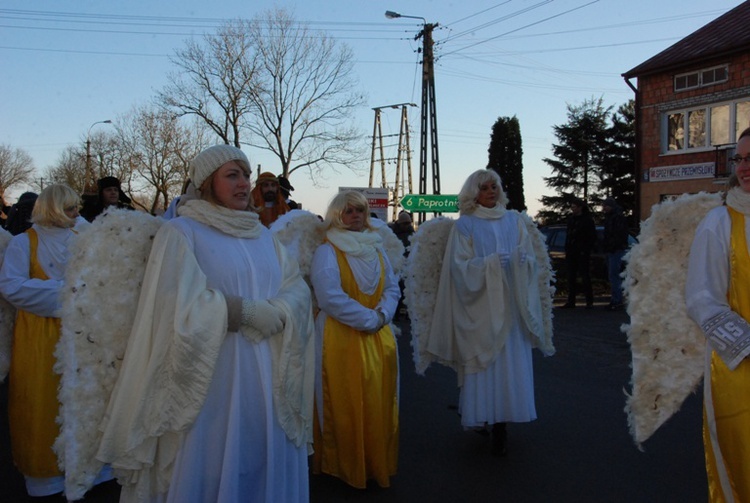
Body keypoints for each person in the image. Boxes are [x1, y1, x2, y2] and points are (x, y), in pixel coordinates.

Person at [96, 145, 315, 502]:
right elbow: (172, 304)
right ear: (206, 183)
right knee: (215, 463)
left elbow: (295, 288)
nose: (244, 183)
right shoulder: (183, 232)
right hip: (214, 380)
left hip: (269, 374)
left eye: (245, 175)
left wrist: (283, 308)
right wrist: (240, 312)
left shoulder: (263, 235)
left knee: (262, 456)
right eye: (232, 175)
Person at [422, 169, 552, 456]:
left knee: (509, 361)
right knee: (485, 362)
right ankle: (484, 414)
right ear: (474, 192)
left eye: (495, 186)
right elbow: (459, 267)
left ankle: (505, 419)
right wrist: (490, 264)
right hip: (481, 307)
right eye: (485, 187)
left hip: (511, 307)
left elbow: (529, 258)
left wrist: (523, 261)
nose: (491, 191)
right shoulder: (466, 225)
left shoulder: (513, 220)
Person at [0, 184, 99, 498]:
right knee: (41, 400)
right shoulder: (22, 243)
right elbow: (11, 286)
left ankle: (87, 470)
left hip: (82, 334)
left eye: (76, 208)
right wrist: (67, 292)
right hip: (38, 336)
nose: (76, 214)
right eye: (69, 209)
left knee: (83, 400)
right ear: (53, 209)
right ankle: (45, 477)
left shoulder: (84, 239)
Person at [310, 190, 400, 489]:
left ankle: (373, 461)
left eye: (360, 210)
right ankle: (342, 465)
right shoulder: (328, 250)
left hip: (378, 336)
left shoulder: (376, 248)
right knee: (343, 400)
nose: (355, 216)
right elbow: (329, 296)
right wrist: (368, 319)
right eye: (348, 211)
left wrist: (382, 316)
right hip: (339, 338)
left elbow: (392, 288)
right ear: (337, 215)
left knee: (378, 398)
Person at [685, 126, 750, 501]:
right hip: (738, 368)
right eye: (739, 158)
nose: (743, 166)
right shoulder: (719, 223)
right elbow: (701, 296)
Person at [562, 198, 597, 309]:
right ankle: (571, 301)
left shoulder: (587, 220)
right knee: (571, 277)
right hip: (571, 252)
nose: (572, 209)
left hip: (582, 252)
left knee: (585, 276)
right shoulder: (571, 219)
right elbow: (569, 235)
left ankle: (589, 301)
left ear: (580, 207)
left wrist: (585, 249)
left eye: (574, 207)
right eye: (571, 207)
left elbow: (591, 237)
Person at [602, 197, 629, 310]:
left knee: (614, 275)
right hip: (613, 249)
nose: (604, 208)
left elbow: (618, 234)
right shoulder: (611, 218)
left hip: (616, 250)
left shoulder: (617, 218)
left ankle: (617, 300)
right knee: (614, 275)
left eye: (606, 206)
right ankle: (616, 299)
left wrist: (612, 245)